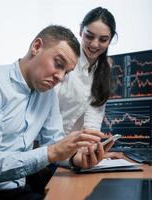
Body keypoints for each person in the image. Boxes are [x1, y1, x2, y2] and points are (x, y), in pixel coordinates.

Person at [0, 25, 113, 200]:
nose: (60, 77)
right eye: (58, 64)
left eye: (66, 72)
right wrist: (52, 152)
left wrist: (75, 159)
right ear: (36, 47)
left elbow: (56, 145)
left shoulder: (47, 95)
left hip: (15, 190)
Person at [55, 7, 120, 158]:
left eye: (103, 39)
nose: (95, 44)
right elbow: (48, 114)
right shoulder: (65, 60)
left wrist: (93, 151)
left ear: (110, 40)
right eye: (89, 36)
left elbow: (93, 120)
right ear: (80, 31)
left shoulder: (103, 71)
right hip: (50, 148)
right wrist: (70, 153)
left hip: (71, 151)